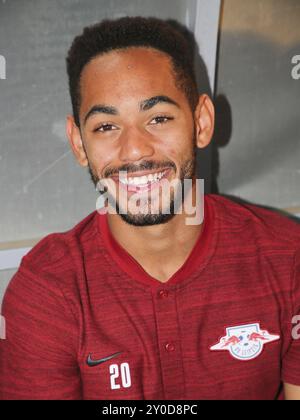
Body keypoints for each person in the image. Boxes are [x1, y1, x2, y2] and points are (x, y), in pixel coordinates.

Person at [0, 16, 300, 401]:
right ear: (78, 144)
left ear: (201, 122)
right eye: (106, 126)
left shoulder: (287, 257)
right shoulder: (47, 293)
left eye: (158, 118)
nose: (135, 150)